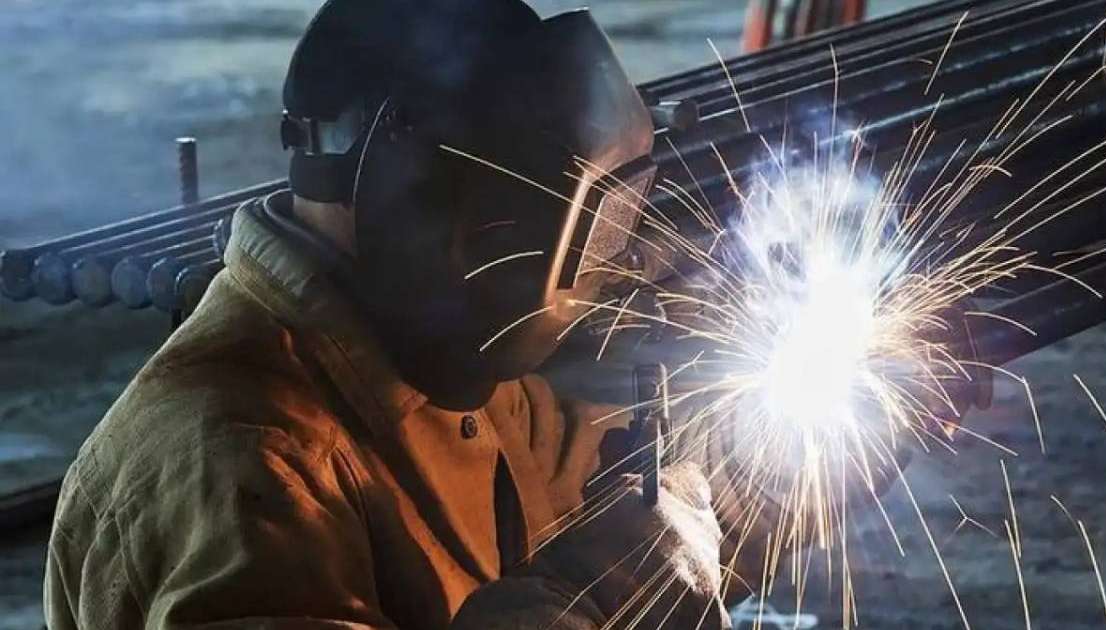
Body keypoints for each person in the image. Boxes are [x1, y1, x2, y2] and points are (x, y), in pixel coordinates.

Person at [44, 2, 731, 628]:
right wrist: (595, 594)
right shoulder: (245, 463)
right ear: (410, 176)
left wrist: (746, 469)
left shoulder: (442, 363)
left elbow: (607, 479)